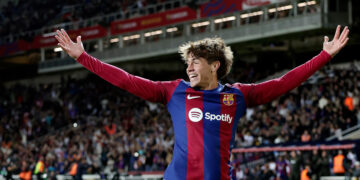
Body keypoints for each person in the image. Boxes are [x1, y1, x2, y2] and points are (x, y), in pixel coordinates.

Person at [55, 25, 349, 179]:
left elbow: (284, 82)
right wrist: (84, 58)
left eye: (195, 62)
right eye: (188, 64)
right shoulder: (173, 91)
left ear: (215, 65)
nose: (189, 68)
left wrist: (324, 56)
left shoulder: (237, 96)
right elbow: (126, 80)